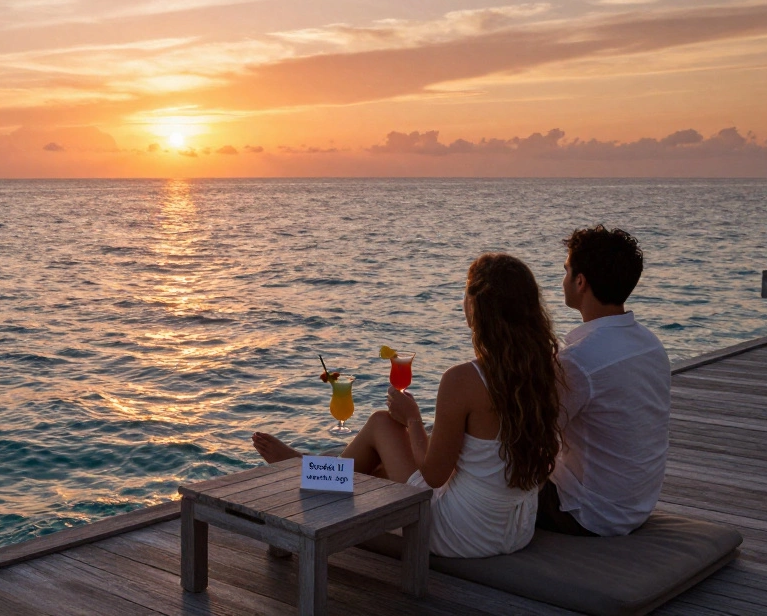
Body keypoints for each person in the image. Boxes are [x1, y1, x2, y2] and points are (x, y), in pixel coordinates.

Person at [253, 253, 563, 558]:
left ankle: (307, 474)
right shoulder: (547, 371)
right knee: (378, 470)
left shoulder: (464, 380)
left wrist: (412, 419)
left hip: (463, 532)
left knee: (381, 424)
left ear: (476, 306)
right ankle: (314, 470)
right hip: (516, 528)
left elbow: (433, 475)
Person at [537, 225, 671, 537]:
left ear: (580, 281)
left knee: (483, 474)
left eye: (566, 270)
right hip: (635, 504)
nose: (564, 279)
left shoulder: (579, 360)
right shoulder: (650, 343)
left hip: (588, 512)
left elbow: (532, 435)